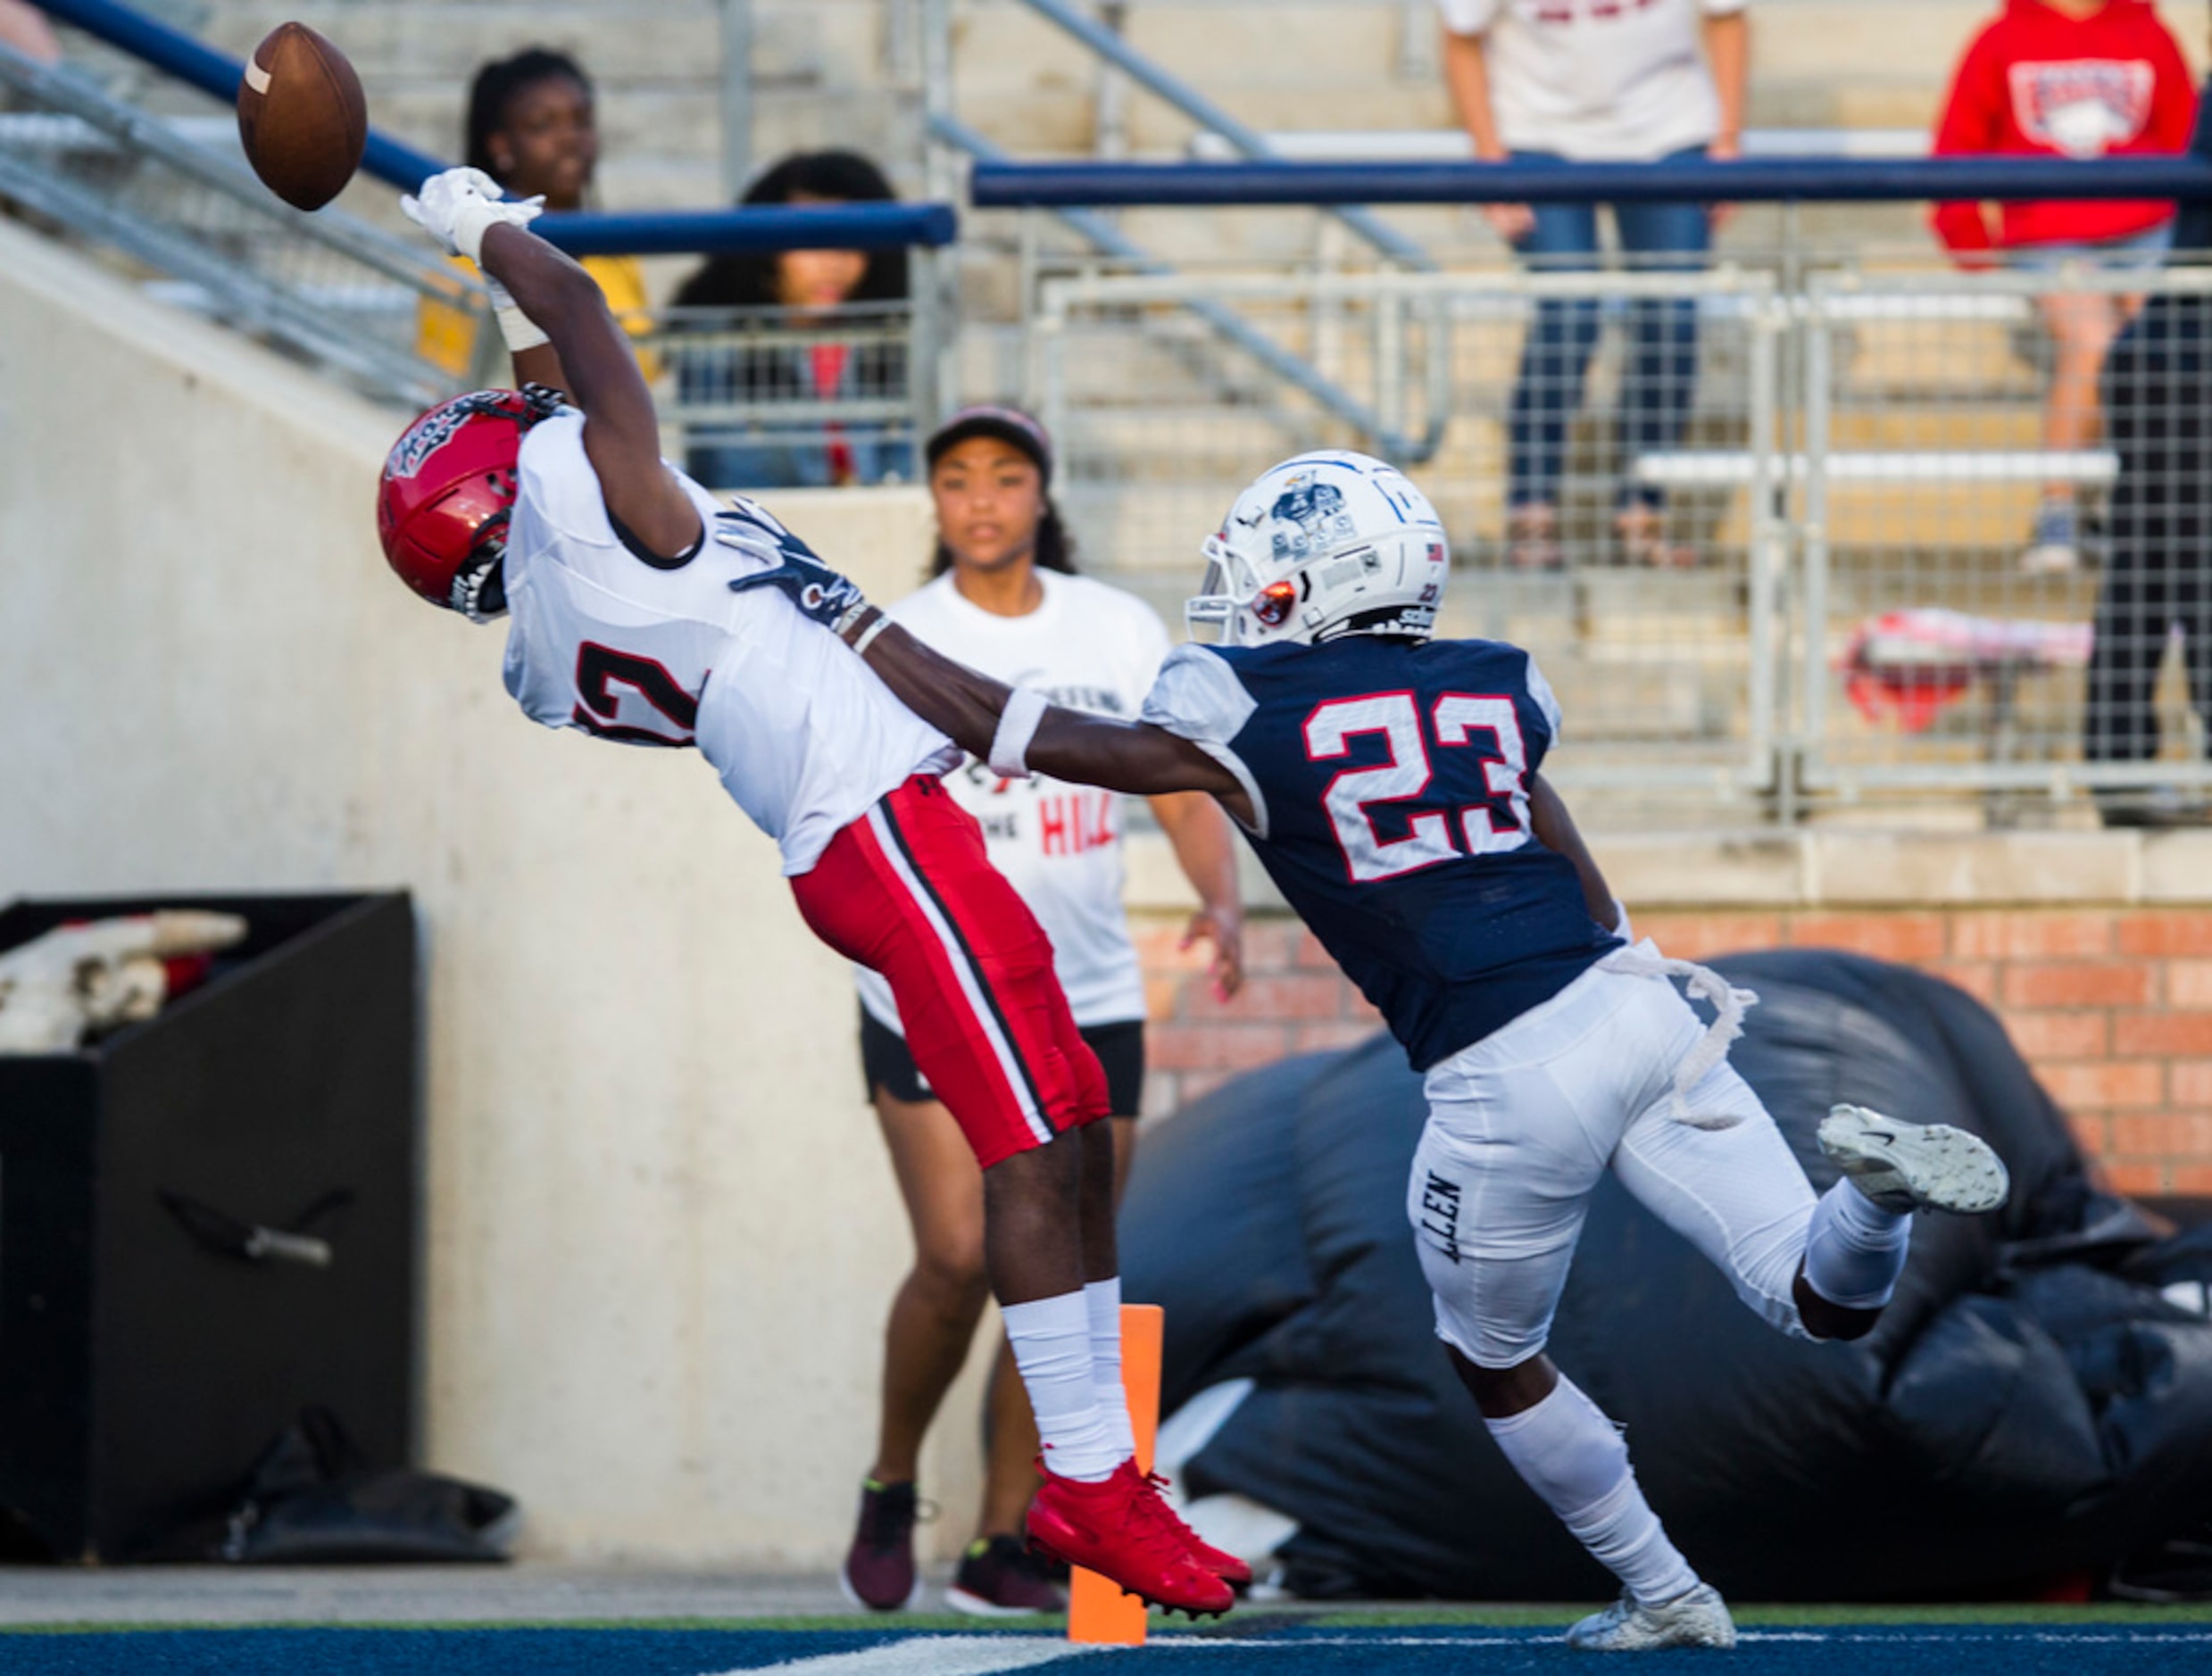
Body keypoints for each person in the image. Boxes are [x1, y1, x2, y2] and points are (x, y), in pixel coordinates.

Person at [736, 451, 2013, 1652]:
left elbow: (1039, 740)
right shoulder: (1495, 677)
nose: (1239, 586)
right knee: (1811, 1293)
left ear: (1320, 575)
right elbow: (1547, 825)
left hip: (1503, 1071)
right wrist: (1618, 949)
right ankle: (1874, 1195)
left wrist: (850, 619)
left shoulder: (1238, 695)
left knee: (1494, 1358)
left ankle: (1669, 1594)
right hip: (1635, 1002)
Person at [377, 164, 1243, 1620]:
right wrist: (481, 227)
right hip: (877, 834)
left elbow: (554, 418)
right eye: (512, 437)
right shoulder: (597, 505)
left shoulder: (545, 626)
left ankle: (1105, 1475)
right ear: (507, 485)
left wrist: (515, 344)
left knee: (1074, 1125)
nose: (529, 423)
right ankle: (1084, 1481)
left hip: (883, 825)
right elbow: (580, 324)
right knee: (1033, 1145)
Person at [842, 404, 1245, 1614]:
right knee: (961, 1252)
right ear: (933, 500)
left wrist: (1221, 897)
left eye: (1003, 478)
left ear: (1037, 494)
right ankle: (889, 1478)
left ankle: (1007, 1530)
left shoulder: (1112, 625)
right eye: (956, 479)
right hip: (930, 982)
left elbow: (1170, 781)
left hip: (1087, 992)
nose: (979, 500)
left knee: (1063, 1272)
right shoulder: (899, 635)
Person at [1438, 0, 1749, 570]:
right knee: (1569, 313)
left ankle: (1643, 510)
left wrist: (1725, 143)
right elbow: (1462, 37)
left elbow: (1726, 17)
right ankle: (1530, 510)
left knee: (1671, 318)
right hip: (1539, 136)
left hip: (1670, 131)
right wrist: (1489, 158)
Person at [1931, 0, 2196, 573]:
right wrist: (1972, 246)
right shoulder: (2001, 38)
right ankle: (2060, 512)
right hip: (2048, 232)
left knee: (2166, 342)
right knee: (2093, 340)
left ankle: (2148, 507)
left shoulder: (2147, 31)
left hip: (2147, 227)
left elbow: (2187, 140)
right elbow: (1956, 148)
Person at [2083, 47, 2212, 822]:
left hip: (2167, 359)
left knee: (2156, 570)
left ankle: (2120, 770)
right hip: (2181, 365)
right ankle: (2121, 771)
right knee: (2177, 571)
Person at [670, 151, 911, 492]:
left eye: (851, 242)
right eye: (811, 242)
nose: (833, 263)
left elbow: (905, 466)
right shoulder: (716, 342)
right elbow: (735, 477)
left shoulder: (890, 333)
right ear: (768, 250)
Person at [416, 48, 656, 382]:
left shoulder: (616, 251)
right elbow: (445, 394)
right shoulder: (465, 267)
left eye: (582, 121)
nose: (571, 139)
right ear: (501, 146)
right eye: (543, 126)